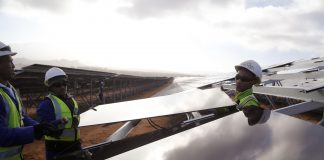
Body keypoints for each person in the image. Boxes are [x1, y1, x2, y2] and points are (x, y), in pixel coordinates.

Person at [0, 41, 57, 160]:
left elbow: (22, 117)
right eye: (10, 61)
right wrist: (33, 131)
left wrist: (40, 128)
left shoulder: (11, 90)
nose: (14, 66)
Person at [37, 67, 81, 160]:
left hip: (75, 146)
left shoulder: (71, 100)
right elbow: (44, 129)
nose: (62, 87)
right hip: (57, 150)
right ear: (50, 87)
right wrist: (58, 125)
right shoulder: (46, 104)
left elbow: (76, 119)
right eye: (57, 85)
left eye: (64, 84)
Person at [234, 60, 270, 126]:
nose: (238, 81)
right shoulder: (241, 96)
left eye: (245, 78)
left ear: (254, 82)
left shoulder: (250, 104)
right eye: (237, 77)